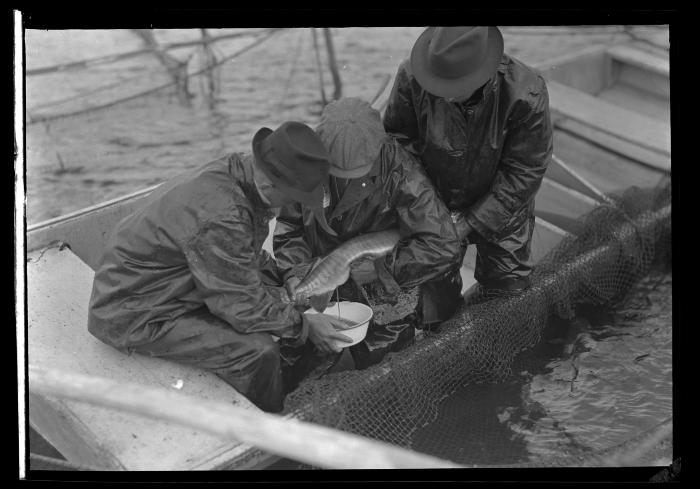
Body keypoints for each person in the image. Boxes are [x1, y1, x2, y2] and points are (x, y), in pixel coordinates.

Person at [87, 121, 354, 413]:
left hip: (172, 279)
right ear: (271, 185)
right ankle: (269, 422)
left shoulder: (239, 172)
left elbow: (240, 253)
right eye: (297, 198)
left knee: (278, 305)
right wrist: (305, 327)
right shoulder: (224, 214)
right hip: (134, 309)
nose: (297, 206)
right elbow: (242, 307)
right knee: (258, 352)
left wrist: (285, 275)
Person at [274, 98, 463, 371]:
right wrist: (295, 272)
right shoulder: (303, 166)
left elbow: (442, 245)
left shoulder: (401, 171)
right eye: (337, 170)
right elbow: (289, 228)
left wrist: (381, 270)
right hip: (321, 279)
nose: (344, 177)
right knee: (300, 363)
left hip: (383, 290)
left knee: (385, 365)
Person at [383, 26, 553, 324]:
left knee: (508, 296)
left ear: (482, 75)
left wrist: (470, 222)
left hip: (503, 208)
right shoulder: (411, 77)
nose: (443, 95)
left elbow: (524, 171)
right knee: (434, 305)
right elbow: (399, 146)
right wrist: (429, 211)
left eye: (451, 87)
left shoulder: (527, 92)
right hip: (435, 199)